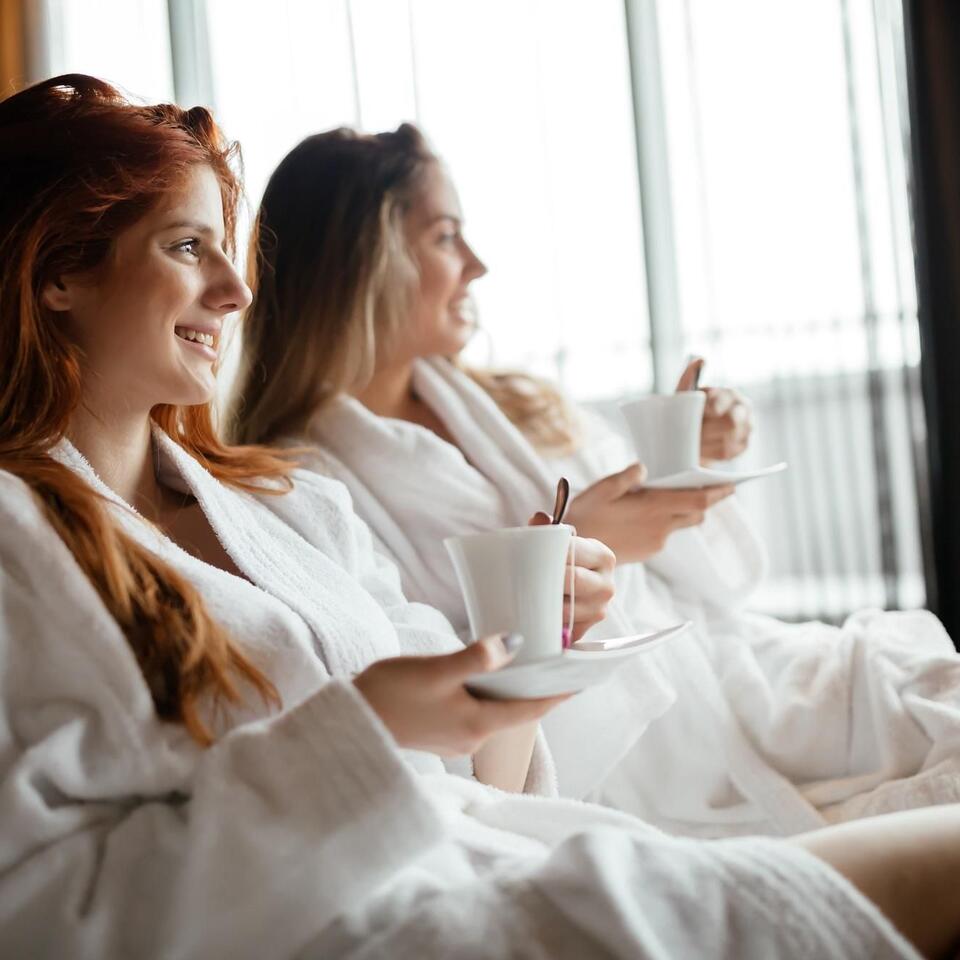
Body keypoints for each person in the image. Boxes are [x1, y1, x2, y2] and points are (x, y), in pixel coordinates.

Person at [5, 73, 960, 960]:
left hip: (490, 852)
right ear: (59, 273)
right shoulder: (21, 544)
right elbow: (48, 913)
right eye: (186, 247)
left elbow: (486, 781)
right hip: (371, 921)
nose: (237, 289)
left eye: (229, 247)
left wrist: (525, 652)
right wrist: (367, 729)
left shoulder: (291, 507)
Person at [232, 123, 960, 836]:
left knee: (927, 685)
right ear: (366, 262)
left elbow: (700, 580)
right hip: (625, 751)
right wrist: (570, 559)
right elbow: (430, 706)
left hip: (721, 665)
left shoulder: (510, 403)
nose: (478, 264)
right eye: (447, 237)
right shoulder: (306, 488)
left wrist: (694, 462)